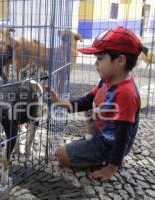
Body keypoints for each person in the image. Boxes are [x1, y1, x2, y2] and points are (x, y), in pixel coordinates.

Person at [48, 26, 148, 182]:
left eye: (100, 59)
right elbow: (85, 102)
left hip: (109, 144)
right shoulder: (106, 81)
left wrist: (111, 167)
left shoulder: (126, 93)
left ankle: (105, 159)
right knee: (91, 103)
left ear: (120, 60)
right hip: (102, 134)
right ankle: (94, 144)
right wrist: (59, 102)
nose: (96, 64)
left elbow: (123, 135)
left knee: (61, 155)